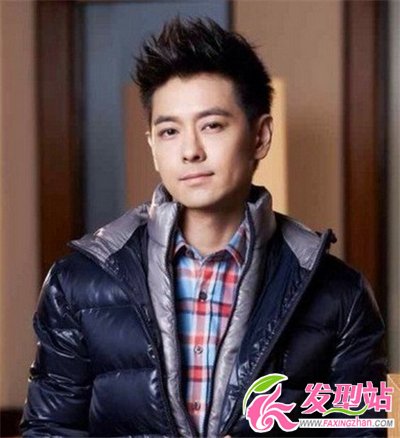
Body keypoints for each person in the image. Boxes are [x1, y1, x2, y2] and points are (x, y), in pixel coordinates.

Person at [21, 17, 386, 437]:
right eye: (169, 131)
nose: (190, 150)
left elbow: (364, 430)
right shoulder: (78, 284)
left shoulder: (340, 294)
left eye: (212, 125)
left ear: (260, 136)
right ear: (153, 146)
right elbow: (49, 430)